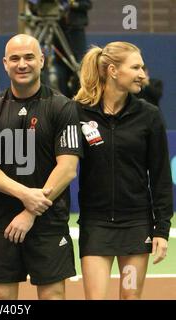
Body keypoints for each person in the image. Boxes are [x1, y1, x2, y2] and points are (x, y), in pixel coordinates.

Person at [0, 34, 82, 300]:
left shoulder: (62, 106)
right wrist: (25, 195)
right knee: (0, 298)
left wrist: (31, 212)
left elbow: (67, 168)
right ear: (5, 63)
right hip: (3, 221)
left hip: (49, 221)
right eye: (15, 58)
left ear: (42, 61)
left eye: (29, 57)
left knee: (53, 296)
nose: (22, 64)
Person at [74, 42, 173, 299]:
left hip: (136, 225)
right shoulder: (78, 113)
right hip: (95, 225)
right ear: (112, 70)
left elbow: (161, 178)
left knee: (130, 297)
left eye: (142, 67)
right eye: (136, 67)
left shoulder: (149, 116)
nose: (143, 73)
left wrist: (161, 229)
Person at [54, 0, 92, 97]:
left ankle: (78, 96)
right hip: (59, 28)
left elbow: (87, 4)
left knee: (80, 63)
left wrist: (72, 3)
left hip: (76, 29)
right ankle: (64, 98)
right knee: (60, 67)